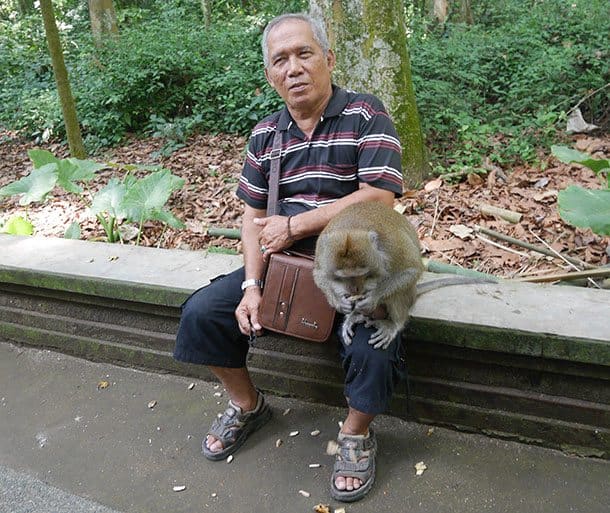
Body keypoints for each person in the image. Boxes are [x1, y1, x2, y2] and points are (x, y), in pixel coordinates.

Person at [174, 12, 404, 503]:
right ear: (270, 75)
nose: (294, 68)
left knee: (374, 344)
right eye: (281, 60)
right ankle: (249, 405)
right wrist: (251, 286)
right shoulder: (266, 135)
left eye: (304, 54)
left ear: (328, 59)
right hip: (285, 265)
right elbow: (252, 218)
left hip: (355, 264)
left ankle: (357, 434)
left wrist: (296, 224)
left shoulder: (367, 115)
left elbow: (379, 198)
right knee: (202, 314)